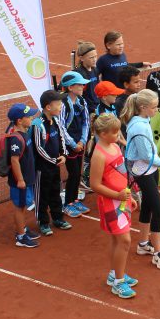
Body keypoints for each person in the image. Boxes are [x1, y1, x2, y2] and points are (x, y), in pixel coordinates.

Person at [88, 113, 138, 299]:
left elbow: (121, 175)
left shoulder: (115, 146)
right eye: (115, 132)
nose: (118, 135)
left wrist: (127, 195)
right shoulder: (99, 155)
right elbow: (95, 185)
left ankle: (115, 273)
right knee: (124, 240)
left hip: (121, 200)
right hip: (110, 203)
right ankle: (118, 282)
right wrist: (117, 195)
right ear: (102, 134)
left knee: (117, 240)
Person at [121, 89, 160, 270]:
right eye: (154, 107)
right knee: (158, 210)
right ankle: (158, 253)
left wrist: (155, 163)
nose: (156, 110)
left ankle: (143, 245)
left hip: (150, 169)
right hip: (144, 170)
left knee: (149, 207)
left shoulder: (144, 120)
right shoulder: (139, 127)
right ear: (143, 108)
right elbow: (145, 155)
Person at [31, 90, 74, 237]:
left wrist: (63, 155)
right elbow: (38, 148)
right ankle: (43, 222)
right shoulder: (38, 124)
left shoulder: (55, 120)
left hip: (55, 165)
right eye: (59, 103)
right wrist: (54, 160)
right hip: (42, 168)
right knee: (42, 195)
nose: (61, 106)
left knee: (56, 192)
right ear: (48, 107)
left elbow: (61, 138)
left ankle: (57, 218)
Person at [6, 103, 41, 248]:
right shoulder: (16, 138)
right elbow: (14, 160)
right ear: (20, 120)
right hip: (20, 180)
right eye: (29, 116)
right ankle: (21, 237)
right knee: (20, 207)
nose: (32, 117)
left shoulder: (25, 133)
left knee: (24, 206)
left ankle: (23, 229)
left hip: (27, 178)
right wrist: (20, 179)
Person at [61, 71, 92, 218]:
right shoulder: (62, 104)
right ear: (70, 87)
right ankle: (68, 204)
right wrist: (73, 144)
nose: (82, 86)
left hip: (80, 143)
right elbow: (61, 126)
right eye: (79, 84)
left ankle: (74, 200)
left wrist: (83, 141)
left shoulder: (82, 101)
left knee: (77, 173)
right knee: (73, 174)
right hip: (68, 146)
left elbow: (86, 122)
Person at [73, 40, 99, 111]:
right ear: (82, 58)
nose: (94, 59)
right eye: (91, 58)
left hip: (96, 107)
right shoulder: (78, 74)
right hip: (87, 109)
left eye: (95, 56)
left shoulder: (95, 70)